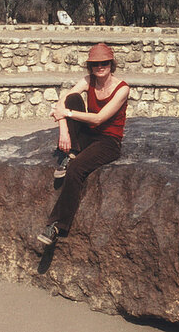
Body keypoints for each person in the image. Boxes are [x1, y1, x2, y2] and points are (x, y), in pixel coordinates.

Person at [37, 43, 130, 245]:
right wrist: (63, 127)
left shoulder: (122, 88)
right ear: (90, 66)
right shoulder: (89, 80)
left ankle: (56, 225)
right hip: (90, 135)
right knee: (72, 99)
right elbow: (62, 102)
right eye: (95, 64)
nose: (100, 67)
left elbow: (98, 119)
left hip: (108, 142)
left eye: (104, 62)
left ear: (111, 64)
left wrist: (67, 114)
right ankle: (72, 153)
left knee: (76, 170)